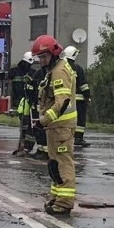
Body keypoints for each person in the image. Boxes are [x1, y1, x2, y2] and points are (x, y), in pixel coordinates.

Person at [33, 35, 77, 214]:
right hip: (56, 126)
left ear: (54, 54)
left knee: (62, 163)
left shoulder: (59, 71)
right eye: (40, 57)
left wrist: (43, 121)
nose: (42, 61)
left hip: (61, 126)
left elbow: (62, 102)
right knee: (54, 165)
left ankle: (65, 202)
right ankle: (56, 197)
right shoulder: (55, 69)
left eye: (45, 57)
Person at [64, 45, 91, 150]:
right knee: (80, 119)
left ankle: (65, 137)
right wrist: (87, 96)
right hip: (79, 100)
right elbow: (83, 85)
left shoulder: (61, 68)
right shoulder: (78, 69)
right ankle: (78, 138)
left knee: (66, 119)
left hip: (65, 99)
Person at [9, 51, 35, 156]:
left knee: (27, 126)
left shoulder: (32, 73)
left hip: (28, 102)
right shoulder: (15, 71)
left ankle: (25, 147)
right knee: (24, 125)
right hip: (21, 103)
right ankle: (23, 146)